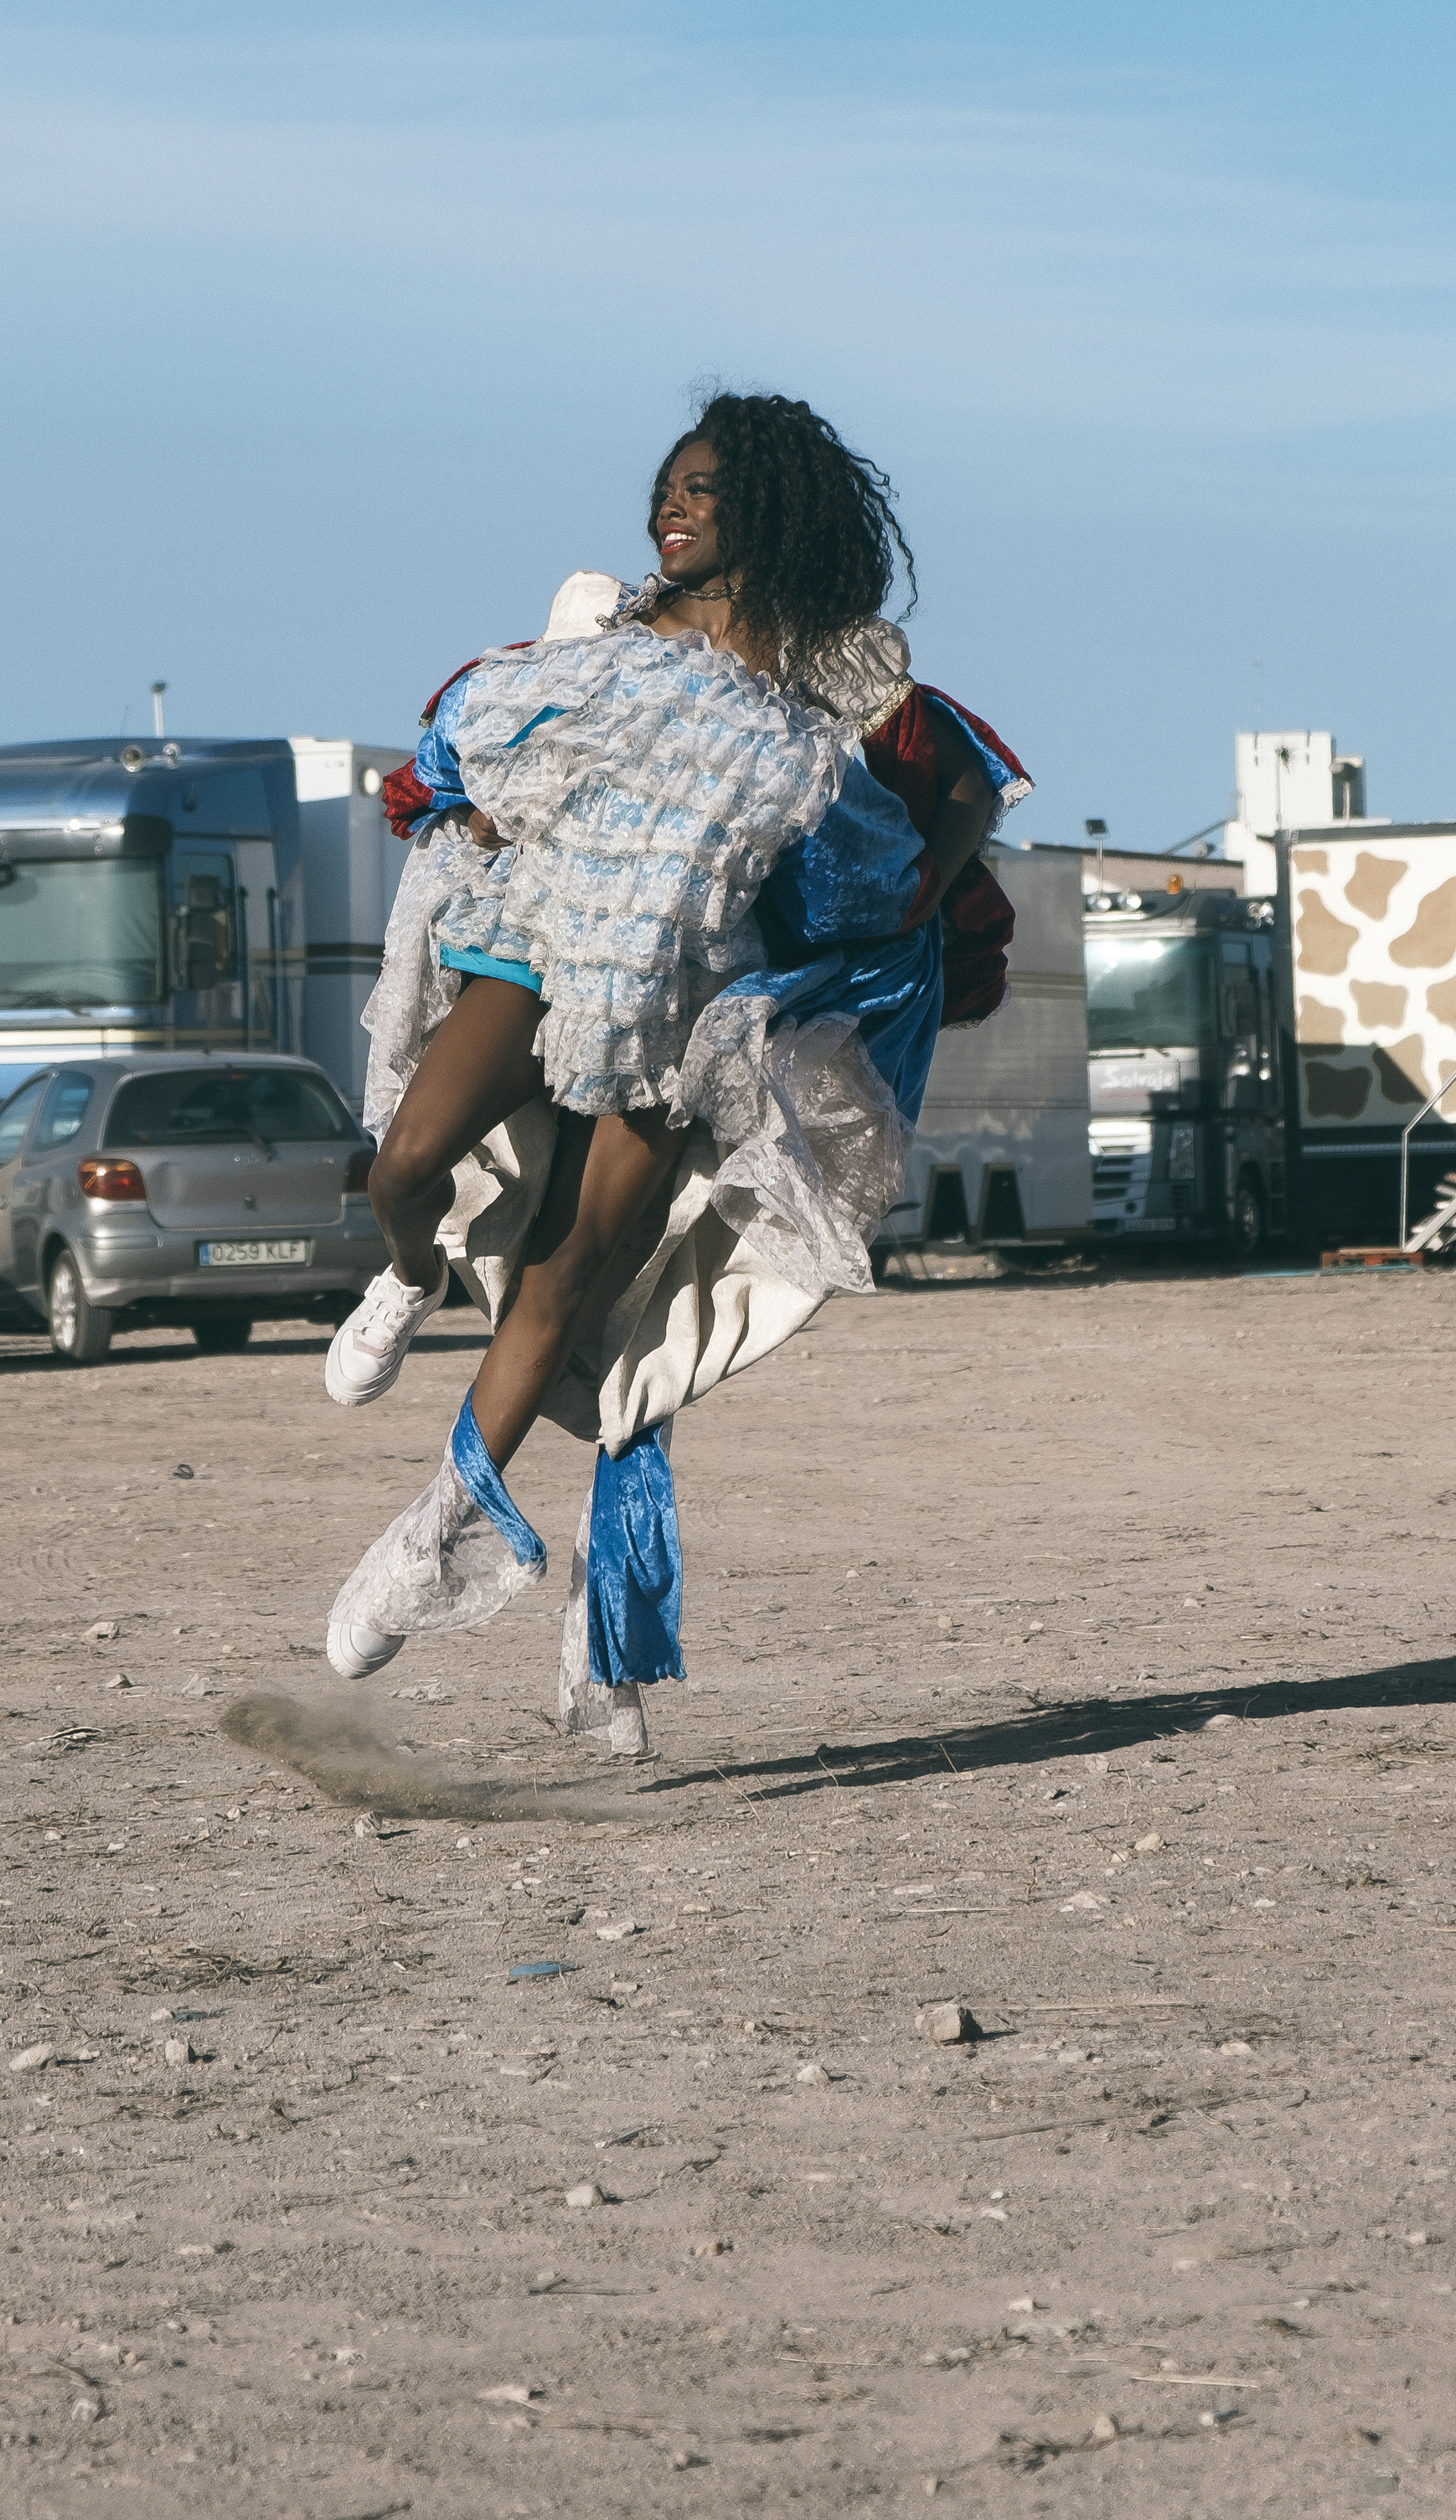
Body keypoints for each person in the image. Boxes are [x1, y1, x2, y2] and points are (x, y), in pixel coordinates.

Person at [323, 392, 1030, 1748]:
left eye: (707, 488)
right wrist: (482, 791)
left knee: (591, 1275)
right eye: (671, 483)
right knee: (409, 1157)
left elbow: (967, 782)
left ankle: (439, 1536)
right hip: (537, 942)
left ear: (766, 508)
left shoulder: (836, 675)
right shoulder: (602, 622)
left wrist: (909, 896)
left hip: (694, 1000)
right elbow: (472, 737)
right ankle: (407, 1276)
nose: (677, 502)